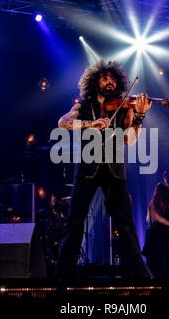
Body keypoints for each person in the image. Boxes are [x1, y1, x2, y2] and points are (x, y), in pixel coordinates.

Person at [53, 60, 152, 278]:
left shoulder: (123, 106)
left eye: (113, 79)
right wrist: (90, 124)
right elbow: (63, 122)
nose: (110, 81)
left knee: (125, 222)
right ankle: (63, 274)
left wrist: (139, 117)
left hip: (115, 170)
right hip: (87, 168)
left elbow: (129, 140)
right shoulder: (84, 105)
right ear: (95, 80)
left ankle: (138, 274)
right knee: (75, 221)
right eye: (105, 78)